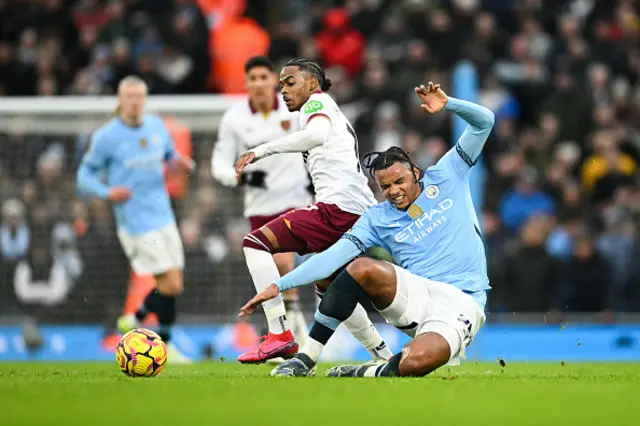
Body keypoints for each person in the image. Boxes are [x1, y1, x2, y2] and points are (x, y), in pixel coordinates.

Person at [240, 82, 494, 377]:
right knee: (359, 267)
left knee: (417, 362)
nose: (394, 191)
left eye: (400, 182)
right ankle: (306, 359)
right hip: (416, 295)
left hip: (463, 300)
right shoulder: (377, 218)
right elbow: (330, 259)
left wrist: (448, 103)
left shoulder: (449, 173)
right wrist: (280, 285)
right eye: (385, 187)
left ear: (415, 171)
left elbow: (484, 122)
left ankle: (366, 371)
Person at [233, 57, 393, 364]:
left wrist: (261, 150)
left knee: (254, 243)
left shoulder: (315, 105)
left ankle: (279, 333)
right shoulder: (329, 109)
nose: (283, 90)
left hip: (336, 211)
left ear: (312, 84)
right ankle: (384, 356)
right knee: (330, 287)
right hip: (356, 212)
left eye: (290, 82)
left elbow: (317, 135)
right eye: (281, 85)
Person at [76, 76, 194, 364]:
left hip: (163, 214)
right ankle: (165, 344)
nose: (134, 102)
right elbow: (84, 175)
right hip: (135, 221)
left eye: (139, 96)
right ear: (120, 99)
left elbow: (169, 155)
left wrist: (180, 163)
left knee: (175, 285)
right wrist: (106, 192)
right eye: (128, 96)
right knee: (165, 284)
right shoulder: (107, 136)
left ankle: (135, 316)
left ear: (145, 99)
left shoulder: (156, 126)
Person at [212, 56, 312, 348]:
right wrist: (239, 178)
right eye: (252, 78)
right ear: (245, 83)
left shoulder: (294, 109)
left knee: (284, 263)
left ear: (275, 81)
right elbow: (219, 163)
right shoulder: (234, 119)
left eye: (263, 77)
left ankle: (290, 337)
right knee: (277, 274)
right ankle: (293, 335)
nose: (258, 84)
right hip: (260, 206)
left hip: (296, 198)